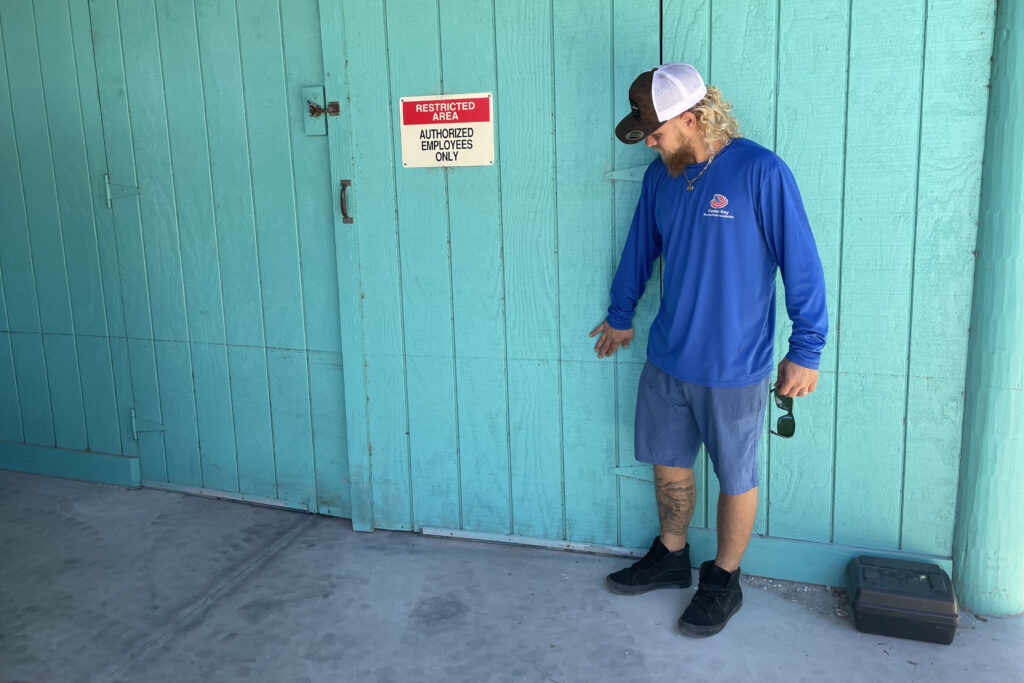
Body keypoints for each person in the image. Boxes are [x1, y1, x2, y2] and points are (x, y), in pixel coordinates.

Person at [591, 63, 828, 637]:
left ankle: (723, 578)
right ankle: (671, 556)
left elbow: (803, 266)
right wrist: (621, 316)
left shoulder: (761, 172)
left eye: (655, 130)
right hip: (669, 355)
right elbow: (639, 249)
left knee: (734, 475)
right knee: (669, 464)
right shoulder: (662, 176)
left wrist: (807, 349)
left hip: (734, 366)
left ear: (692, 119)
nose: (649, 140)